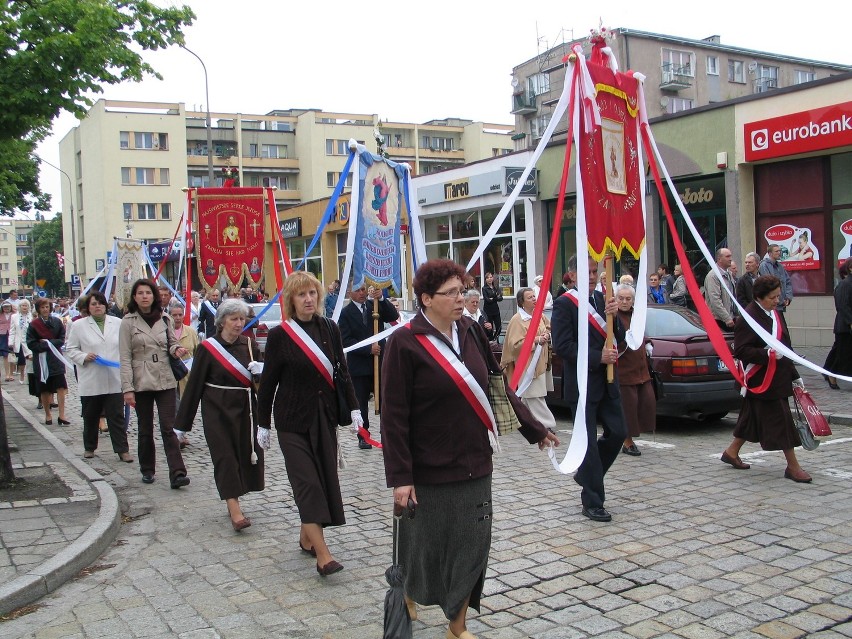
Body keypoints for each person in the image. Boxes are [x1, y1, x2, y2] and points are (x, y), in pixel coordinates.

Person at [381, 258, 558, 638]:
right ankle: (411, 589)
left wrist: (533, 428)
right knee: (423, 544)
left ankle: (457, 624)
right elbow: (394, 417)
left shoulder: (471, 331)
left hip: (475, 461)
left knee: (472, 544)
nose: (461, 299)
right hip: (429, 468)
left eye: (463, 290)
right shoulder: (404, 343)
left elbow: (497, 385)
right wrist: (401, 478)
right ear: (426, 299)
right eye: (452, 293)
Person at [255, 271, 360, 575]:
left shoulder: (330, 328)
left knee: (324, 479)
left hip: (323, 417)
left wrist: (355, 408)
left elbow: (341, 370)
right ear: (291, 300)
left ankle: (306, 537)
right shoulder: (279, 336)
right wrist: (262, 424)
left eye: (312, 293)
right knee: (307, 483)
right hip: (291, 421)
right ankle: (323, 556)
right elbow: (269, 383)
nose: (308, 299)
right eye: (301, 294)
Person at [175, 299, 265, 531]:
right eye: (233, 319)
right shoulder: (209, 348)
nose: (238, 323)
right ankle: (235, 510)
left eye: (241, 319)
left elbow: (260, 384)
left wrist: (260, 372)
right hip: (217, 409)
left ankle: (232, 497)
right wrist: (182, 424)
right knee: (224, 456)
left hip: (245, 409)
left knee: (243, 454)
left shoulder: (249, 345)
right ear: (222, 321)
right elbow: (194, 385)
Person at [552, 255, 626, 522]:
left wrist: (615, 318)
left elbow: (619, 338)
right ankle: (593, 501)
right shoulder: (564, 304)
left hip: (607, 382)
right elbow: (563, 347)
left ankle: (586, 475)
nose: (593, 276)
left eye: (595, 271)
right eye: (587, 272)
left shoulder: (602, 301)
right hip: (583, 384)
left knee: (619, 432)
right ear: (572, 275)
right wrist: (597, 357)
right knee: (589, 447)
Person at [720, 275, 811, 482]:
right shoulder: (747, 318)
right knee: (783, 421)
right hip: (761, 380)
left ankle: (731, 452)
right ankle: (793, 467)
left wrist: (794, 375)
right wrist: (766, 354)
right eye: (772, 297)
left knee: (750, 417)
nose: (777, 301)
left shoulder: (776, 314)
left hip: (779, 377)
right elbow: (742, 351)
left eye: (778, 296)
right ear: (759, 297)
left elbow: (786, 346)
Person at [119, 279, 190, 488]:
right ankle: (147, 468)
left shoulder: (164, 318)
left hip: (164, 377)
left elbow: (171, 343)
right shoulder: (128, 322)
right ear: (134, 297)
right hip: (141, 380)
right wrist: (127, 389)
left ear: (154, 296)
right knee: (145, 428)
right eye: (140, 293)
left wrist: (176, 350)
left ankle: (177, 472)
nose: (144, 296)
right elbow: (124, 357)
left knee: (169, 427)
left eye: (148, 293)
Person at [65, 292, 133, 462]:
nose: (97, 306)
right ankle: (89, 447)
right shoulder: (79, 326)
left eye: (100, 303)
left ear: (106, 306)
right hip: (91, 377)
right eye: (94, 304)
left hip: (113, 378)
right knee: (90, 415)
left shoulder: (117, 323)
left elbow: (126, 347)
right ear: (88, 307)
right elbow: (71, 349)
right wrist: (83, 357)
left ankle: (122, 450)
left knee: (116, 416)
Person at [339, 283, 399, 449]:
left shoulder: (375, 305)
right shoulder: (346, 313)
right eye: (357, 290)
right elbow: (345, 340)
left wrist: (381, 298)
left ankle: (387, 434)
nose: (361, 293)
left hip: (379, 363)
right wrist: (368, 349)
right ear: (350, 292)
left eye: (364, 289)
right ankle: (363, 436)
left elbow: (392, 315)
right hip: (359, 366)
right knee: (361, 403)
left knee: (384, 401)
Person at [501, 287, 556, 432]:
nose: (534, 299)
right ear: (521, 302)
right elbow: (515, 346)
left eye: (534, 296)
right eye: (530, 297)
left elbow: (549, 328)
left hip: (541, 362)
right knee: (534, 395)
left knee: (528, 395)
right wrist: (537, 340)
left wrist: (547, 336)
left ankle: (524, 421)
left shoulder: (539, 315)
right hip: (527, 365)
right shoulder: (517, 320)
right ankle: (546, 424)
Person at [614, 284, 655, 456]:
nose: (624, 302)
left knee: (647, 402)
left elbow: (642, 333)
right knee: (628, 408)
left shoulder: (637, 315)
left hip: (641, 369)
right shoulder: (612, 317)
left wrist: (648, 343)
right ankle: (627, 441)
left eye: (628, 299)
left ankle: (636, 434)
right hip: (624, 370)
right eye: (621, 298)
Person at [26, 298, 70, 426]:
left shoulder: (57, 322)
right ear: (38, 309)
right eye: (42, 307)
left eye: (47, 307)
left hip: (56, 358)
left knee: (61, 387)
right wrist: (46, 345)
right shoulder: (34, 325)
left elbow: (61, 339)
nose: (45, 309)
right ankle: (48, 414)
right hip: (41, 360)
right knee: (45, 389)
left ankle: (62, 414)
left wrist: (47, 342)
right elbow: (32, 343)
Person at [168, 301, 200, 449]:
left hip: (187, 373)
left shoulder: (191, 332)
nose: (177, 318)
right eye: (174, 315)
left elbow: (198, 351)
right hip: (170, 373)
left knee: (184, 405)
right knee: (173, 405)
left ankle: (181, 433)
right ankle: (175, 436)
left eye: (180, 314)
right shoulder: (166, 332)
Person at [823, 257, 852, 390]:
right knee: (842, 354)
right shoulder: (845, 284)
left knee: (842, 352)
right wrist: (850, 322)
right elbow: (843, 306)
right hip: (845, 326)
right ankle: (831, 375)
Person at [704, 248, 737, 330]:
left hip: (731, 317)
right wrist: (727, 318)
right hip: (719, 320)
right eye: (727, 256)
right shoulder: (713, 276)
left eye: (730, 256)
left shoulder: (729, 274)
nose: (730, 259)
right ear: (719, 259)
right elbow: (715, 300)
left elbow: (732, 296)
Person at [759, 244, 793, 312]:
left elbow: (788, 282)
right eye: (776, 251)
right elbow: (768, 285)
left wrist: (788, 297)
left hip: (781, 305)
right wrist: (779, 300)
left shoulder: (780, 266)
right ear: (770, 253)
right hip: (771, 306)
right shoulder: (764, 265)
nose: (779, 253)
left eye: (779, 251)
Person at [9, 299, 32, 384]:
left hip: (29, 341)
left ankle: (30, 375)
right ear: (20, 307)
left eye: (26, 305)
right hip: (19, 341)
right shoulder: (14, 317)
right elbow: (12, 330)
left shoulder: (31, 316)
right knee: (21, 361)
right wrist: (10, 342)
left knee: (30, 359)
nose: (24, 307)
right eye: (23, 305)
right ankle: (22, 374)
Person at [481, 272, 504, 337]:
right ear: (485, 279)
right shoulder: (484, 288)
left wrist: (493, 298)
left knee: (499, 327)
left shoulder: (495, 287)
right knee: (490, 328)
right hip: (488, 310)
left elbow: (501, 298)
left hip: (495, 310)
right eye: (488, 278)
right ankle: (491, 341)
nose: (489, 279)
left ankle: (495, 339)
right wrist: (496, 297)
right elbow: (487, 300)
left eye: (491, 277)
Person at [1, 300, 14, 381]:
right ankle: (7, 374)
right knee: (5, 355)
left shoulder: (14, 315)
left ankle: (11, 374)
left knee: (12, 354)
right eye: (5, 307)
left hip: (11, 334)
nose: (6, 308)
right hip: (2, 335)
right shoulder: (0, 315)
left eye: (8, 307)